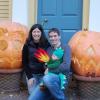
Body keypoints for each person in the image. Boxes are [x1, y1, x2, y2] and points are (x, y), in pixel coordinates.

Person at [28, 28, 71, 100]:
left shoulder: (66, 47)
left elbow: (66, 66)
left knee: (47, 78)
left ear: (59, 36)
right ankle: (51, 95)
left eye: (55, 36)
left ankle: (61, 98)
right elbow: (45, 65)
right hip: (46, 82)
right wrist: (46, 66)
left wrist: (50, 68)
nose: (53, 38)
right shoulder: (49, 49)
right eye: (51, 36)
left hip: (60, 80)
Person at [22, 24, 50, 94]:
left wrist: (48, 68)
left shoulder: (46, 44)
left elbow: (50, 59)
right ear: (31, 33)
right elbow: (24, 62)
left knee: (43, 94)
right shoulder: (26, 45)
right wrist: (29, 77)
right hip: (32, 74)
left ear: (41, 33)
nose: (36, 34)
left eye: (38, 32)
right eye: (34, 32)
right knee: (33, 95)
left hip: (44, 75)